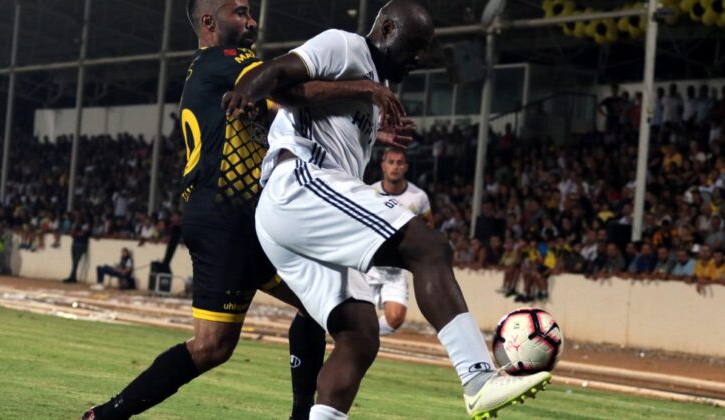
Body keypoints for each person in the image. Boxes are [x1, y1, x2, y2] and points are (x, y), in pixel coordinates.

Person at [224, 1, 551, 418]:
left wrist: (376, 131)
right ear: (387, 28)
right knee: (430, 247)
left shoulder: (375, 87)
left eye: (423, 49)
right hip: (299, 183)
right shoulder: (344, 46)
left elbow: (323, 115)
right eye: (413, 45)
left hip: (292, 213)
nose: (417, 57)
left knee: (359, 336)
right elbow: (272, 77)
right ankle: (478, 378)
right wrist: (249, 95)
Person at [82, 1, 407, 419]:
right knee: (211, 347)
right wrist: (365, 88)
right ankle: (106, 415)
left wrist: (370, 131)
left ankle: (300, 414)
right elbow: (288, 90)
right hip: (226, 217)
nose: (252, 21)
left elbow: (291, 112)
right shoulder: (228, 59)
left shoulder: (219, 71)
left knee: (319, 305)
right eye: (240, 13)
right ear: (208, 22)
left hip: (250, 218)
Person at [360, 147, 432, 336]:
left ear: (406, 167)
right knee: (351, 310)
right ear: (383, 165)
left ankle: (362, 335)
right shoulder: (370, 192)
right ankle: (351, 336)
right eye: (391, 162)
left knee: (395, 319)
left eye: (400, 163)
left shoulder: (419, 197)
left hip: (397, 270)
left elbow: (428, 230)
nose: (395, 167)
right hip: (368, 265)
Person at [63, 212, 91, 284]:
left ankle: (72, 277)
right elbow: (72, 234)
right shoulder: (75, 225)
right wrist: (75, 230)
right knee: (74, 261)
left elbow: (83, 234)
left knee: (76, 261)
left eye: (78, 218)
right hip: (75, 243)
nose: (77, 219)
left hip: (81, 244)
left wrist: (76, 233)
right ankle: (73, 277)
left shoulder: (85, 225)